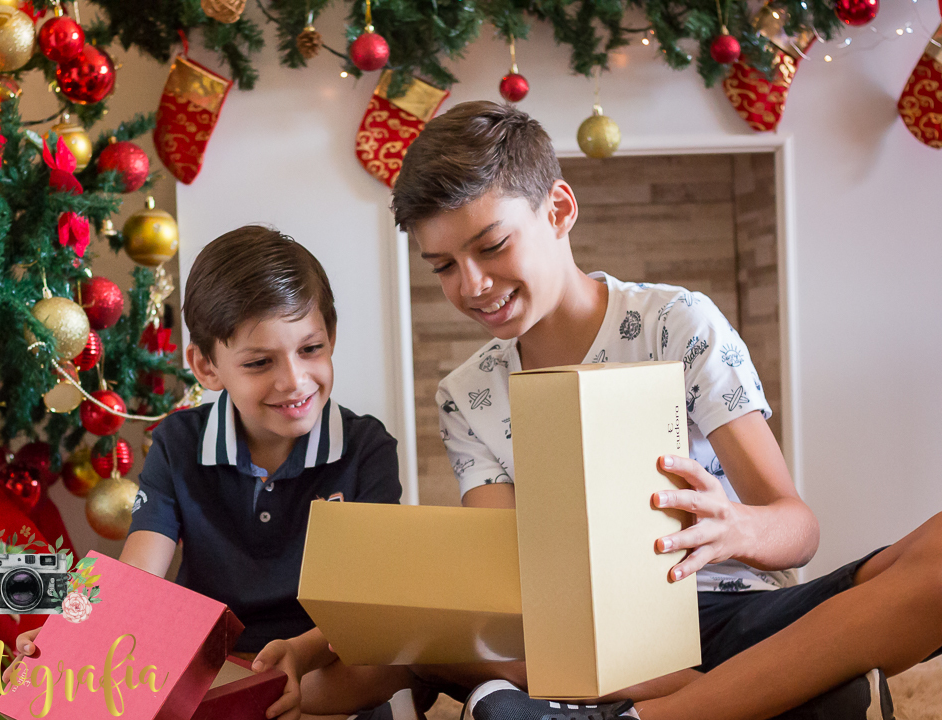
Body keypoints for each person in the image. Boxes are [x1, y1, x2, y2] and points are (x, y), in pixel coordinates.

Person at [390, 100, 942, 720]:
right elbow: (505, 588)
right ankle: (761, 692)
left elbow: (799, 530)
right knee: (458, 649)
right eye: (442, 267)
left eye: (491, 247)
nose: (471, 285)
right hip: (588, 644)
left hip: (735, 615)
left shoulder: (680, 324)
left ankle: (669, 707)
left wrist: (737, 526)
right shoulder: (467, 397)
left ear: (559, 210)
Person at [7, 227, 414, 720]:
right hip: (213, 661)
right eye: (260, 362)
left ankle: (260, 700)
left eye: (311, 349)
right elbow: (137, 576)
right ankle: (237, 701)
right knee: (125, 659)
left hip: (320, 658)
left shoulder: (367, 448)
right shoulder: (178, 443)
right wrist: (72, 639)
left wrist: (300, 655)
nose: (294, 380)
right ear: (206, 366)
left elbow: (363, 604)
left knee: (386, 660)